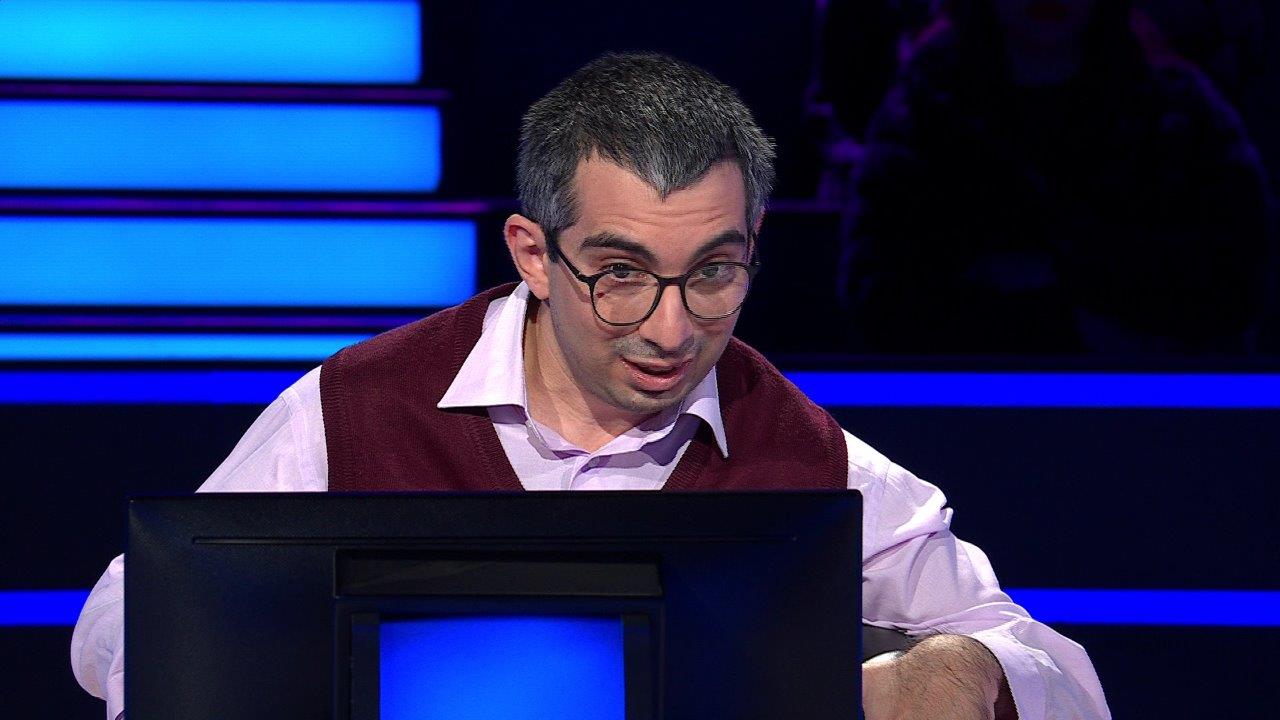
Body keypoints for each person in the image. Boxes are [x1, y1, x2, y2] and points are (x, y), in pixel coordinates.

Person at [71, 53, 1110, 719]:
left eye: (715, 271)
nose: (672, 328)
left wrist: (965, 670)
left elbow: (1056, 671)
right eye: (620, 273)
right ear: (533, 253)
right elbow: (123, 623)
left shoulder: (802, 450)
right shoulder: (355, 410)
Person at [840, 0, 1270, 355]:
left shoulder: (1181, 113)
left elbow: (1239, 282)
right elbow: (878, 296)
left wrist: (1069, 271)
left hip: (1154, 411)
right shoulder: (922, 111)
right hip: (964, 410)